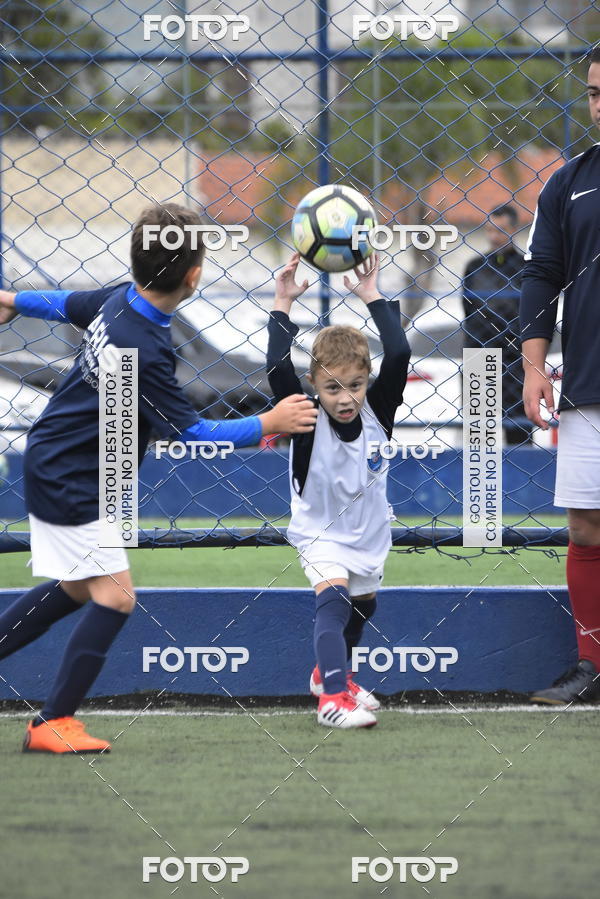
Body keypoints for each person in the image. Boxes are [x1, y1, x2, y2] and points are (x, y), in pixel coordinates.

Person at [0, 203, 317, 753]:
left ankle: (52, 720)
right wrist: (270, 422)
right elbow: (191, 433)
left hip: (63, 461)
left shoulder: (123, 300)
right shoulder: (144, 347)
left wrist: (11, 299)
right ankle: (53, 722)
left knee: (77, 587)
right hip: (71, 474)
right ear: (194, 276)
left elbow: (65, 303)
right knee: (116, 596)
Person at [267, 252, 410, 728]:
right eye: (332, 388)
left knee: (364, 605)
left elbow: (399, 352)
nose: (345, 398)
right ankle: (331, 699)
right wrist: (283, 301)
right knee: (334, 603)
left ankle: (332, 675)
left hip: (369, 533)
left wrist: (372, 295)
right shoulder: (304, 415)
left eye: (355, 385)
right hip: (320, 532)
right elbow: (276, 365)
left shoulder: (378, 410)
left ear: (367, 381)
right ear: (313, 384)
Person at [521, 46, 600, 704]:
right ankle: (590, 665)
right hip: (590, 386)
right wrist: (532, 365)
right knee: (585, 527)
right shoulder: (567, 183)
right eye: (595, 93)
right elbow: (542, 274)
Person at [462, 204, 530, 445]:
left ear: (514, 230)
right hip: (480, 358)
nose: (493, 236)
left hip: (517, 361)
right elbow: (468, 311)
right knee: (479, 444)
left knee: (520, 438)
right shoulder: (474, 267)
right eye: (489, 230)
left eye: (500, 230)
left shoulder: (527, 268)